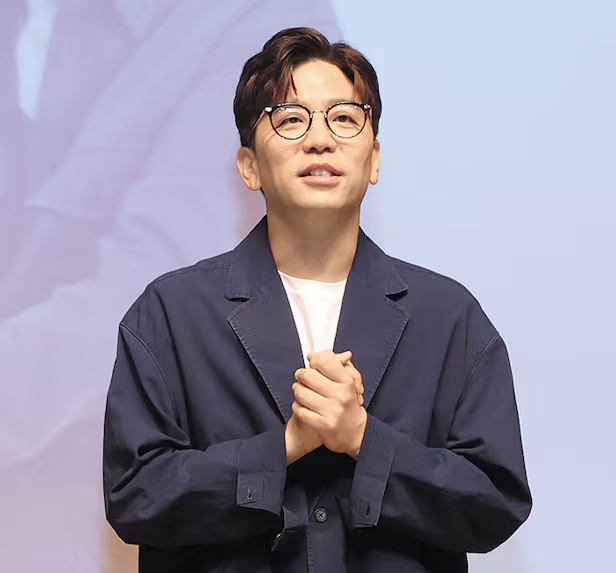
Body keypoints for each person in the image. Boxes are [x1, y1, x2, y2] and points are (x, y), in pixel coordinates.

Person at [103, 27, 532, 573]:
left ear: (374, 159)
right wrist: (282, 448)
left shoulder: (449, 318)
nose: (320, 140)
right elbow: (135, 497)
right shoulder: (171, 313)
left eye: (345, 118)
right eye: (290, 119)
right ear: (249, 166)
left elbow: (495, 503)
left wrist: (362, 439)